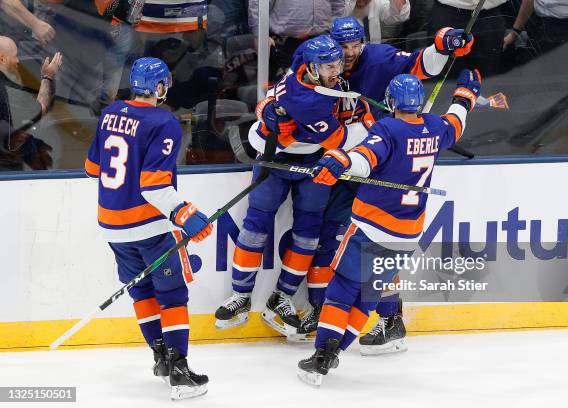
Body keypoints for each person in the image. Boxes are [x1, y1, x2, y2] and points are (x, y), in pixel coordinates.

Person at [294, 16, 473, 353]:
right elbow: (291, 86)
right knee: (338, 242)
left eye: (353, 46)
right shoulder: (316, 58)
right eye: (342, 47)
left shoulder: (378, 60)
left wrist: (444, 43)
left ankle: (387, 318)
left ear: (362, 43)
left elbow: (423, 65)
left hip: (372, 165)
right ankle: (333, 313)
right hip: (340, 163)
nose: (348, 54)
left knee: (373, 250)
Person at [214, 35, 371, 338]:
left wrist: (275, 118)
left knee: (308, 237)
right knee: (255, 228)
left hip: (313, 165)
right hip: (276, 163)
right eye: (328, 65)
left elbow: (274, 102)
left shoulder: (317, 80)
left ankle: (282, 297)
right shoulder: (306, 97)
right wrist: (268, 115)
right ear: (311, 67)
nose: (336, 69)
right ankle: (240, 296)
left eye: (337, 62)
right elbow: (335, 138)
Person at [84, 57, 212, 400]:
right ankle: (179, 369)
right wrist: (184, 212)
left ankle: (160, 357)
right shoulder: (163, 121)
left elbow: (92, 168)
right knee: (171, 295)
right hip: (148, 226)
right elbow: (153, 186)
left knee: (141, 291)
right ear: (159, 87)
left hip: (111, 224)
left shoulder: (110, 113)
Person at [0, 35, 61, 171]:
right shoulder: (9, 91)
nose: (17, 61)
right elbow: (40, 109)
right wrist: (47, 77)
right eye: (15, 56)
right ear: (2, 59)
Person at [249, 0, 346, 80]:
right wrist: (259, 34)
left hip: (322, 41)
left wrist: (335, 32)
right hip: (283, 43)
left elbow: (338, 4)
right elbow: (258, 3)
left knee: (323, 89)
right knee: (281, 91)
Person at [344, 0, 411, 43]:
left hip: (372, 57)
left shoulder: (377, 3)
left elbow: (398, 16)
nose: (362, 2)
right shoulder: (339, 7)